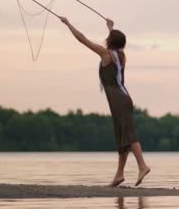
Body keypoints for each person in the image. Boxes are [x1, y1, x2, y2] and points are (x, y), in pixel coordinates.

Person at [59, 16, 151, 187]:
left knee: (128, 133)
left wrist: (68, 23)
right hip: (122, 99)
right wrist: (110, 27)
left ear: (109, 41)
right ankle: (119, 175)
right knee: (121, 135)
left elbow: (83, 39)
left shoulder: (105, 54)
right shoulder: (121, 55)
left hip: (119, 99)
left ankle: (142, 166)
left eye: (109, 38)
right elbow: (114, 42)